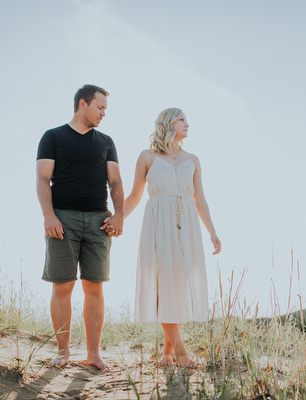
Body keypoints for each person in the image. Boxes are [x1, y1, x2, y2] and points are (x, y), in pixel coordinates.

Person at [118, 107, 220, 368]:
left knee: (178, 287)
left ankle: (166, 353)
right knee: (164, 287)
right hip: (157, 224)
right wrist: (118, 218)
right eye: (182, 119)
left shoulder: (193, 159)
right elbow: (134, 196)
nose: (188, 123)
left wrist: (212, 232)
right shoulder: (147, 157)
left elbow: (201, 199)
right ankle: (183, 354)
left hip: (187, 226)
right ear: (168, 123)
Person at [36, 84, 124, 370]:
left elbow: (116, 182)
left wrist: (119, 214)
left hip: (99, 220)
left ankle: (94, 355)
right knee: (63, 285)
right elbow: (42, 179)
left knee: (95, 287)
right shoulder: (53, 137)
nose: (103, 114)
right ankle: (63, 353)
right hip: (63, 218)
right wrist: (49, 216)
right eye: (100, 108)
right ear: (83, 104)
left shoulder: (106, 141)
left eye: (105, 110)